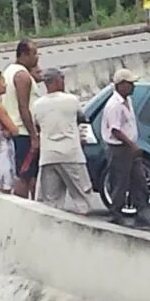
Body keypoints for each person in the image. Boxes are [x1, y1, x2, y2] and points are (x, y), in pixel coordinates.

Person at [101, 68, 150, 228]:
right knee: (120, 182)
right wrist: (132, 145)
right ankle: (116, 213)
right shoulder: (114, 105)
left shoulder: (128, 101)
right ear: (121, 85)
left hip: (129, 147)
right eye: (130, 83)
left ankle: (143, 214)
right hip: (120, 148)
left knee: (139, 181)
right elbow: (115, 129)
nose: (133, 86)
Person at [33, 68, 95, 215]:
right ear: (56, 81)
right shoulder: (71, 100)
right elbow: (82, 118)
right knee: (83, 196)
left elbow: (36, 125)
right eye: (62, 79)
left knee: (50, 201)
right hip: (71, 154)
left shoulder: (37, 105)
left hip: (48, 156)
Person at [1, 40, 41, 199]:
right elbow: (23, 108)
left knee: (28, 174)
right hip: (23, 133)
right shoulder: (22, 76)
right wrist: (34, 136)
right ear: (24, 54)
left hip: (13, 131)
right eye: (34, 53)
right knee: (24, 176)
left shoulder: (8, 72)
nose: (37, 58)